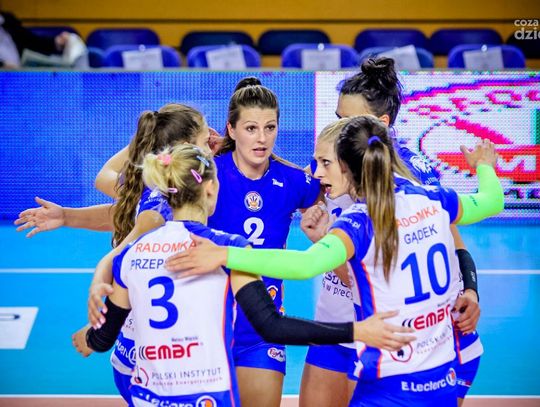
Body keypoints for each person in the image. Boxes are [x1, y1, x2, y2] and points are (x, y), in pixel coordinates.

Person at [165, 115, 504, 406]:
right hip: (442, 375)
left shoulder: (360, 222)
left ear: (348, 166)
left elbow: (304, 266)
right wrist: (484, 166)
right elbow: (491, 201)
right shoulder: (435, 198)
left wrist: (225, 254)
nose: (317, 173)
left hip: (391, 381)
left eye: (325, 163)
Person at [72, 143, 415, 407]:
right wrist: (357, 330)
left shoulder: (133, 253)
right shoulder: (226, 249)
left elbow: (104, 338)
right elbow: (272, 326)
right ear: (210, 189)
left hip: (149, 398)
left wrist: (88, 338)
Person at [301, 57, 482, 407]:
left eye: (347, 121)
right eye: (337, 118)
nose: (338, 128)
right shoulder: (329, 160)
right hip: (336, 321)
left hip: (391, 333)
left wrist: (472, 292)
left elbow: (453, 244)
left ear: (379, 124)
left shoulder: (413, 179)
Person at [0, 10, 70, 68]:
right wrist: (3, 65)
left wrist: (56, 42)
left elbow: (31, 41)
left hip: (20, 74)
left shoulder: (7, 20)